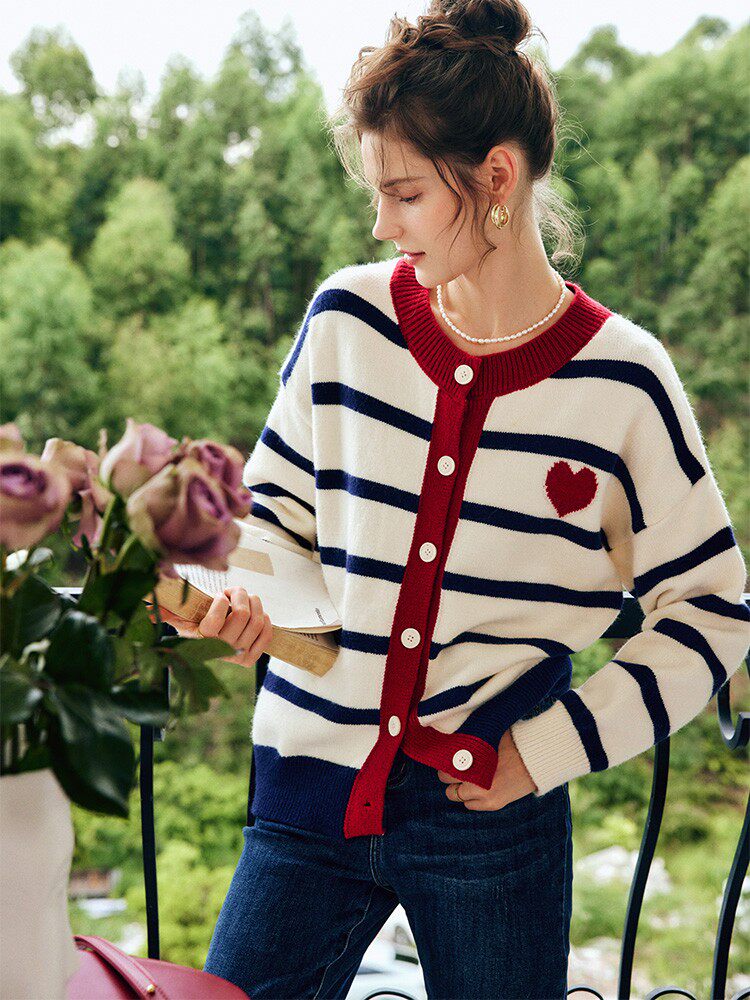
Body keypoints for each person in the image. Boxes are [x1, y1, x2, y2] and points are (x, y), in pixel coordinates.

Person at [160, 0, 750, 996]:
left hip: (491, 814)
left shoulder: (624, 383)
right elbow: (268, 521)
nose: (381, 225)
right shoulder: (347, 321)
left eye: (405, 194)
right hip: (308, 792)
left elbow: (713, 610)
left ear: (497, 181)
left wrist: (544, 750)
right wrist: (247, 603)